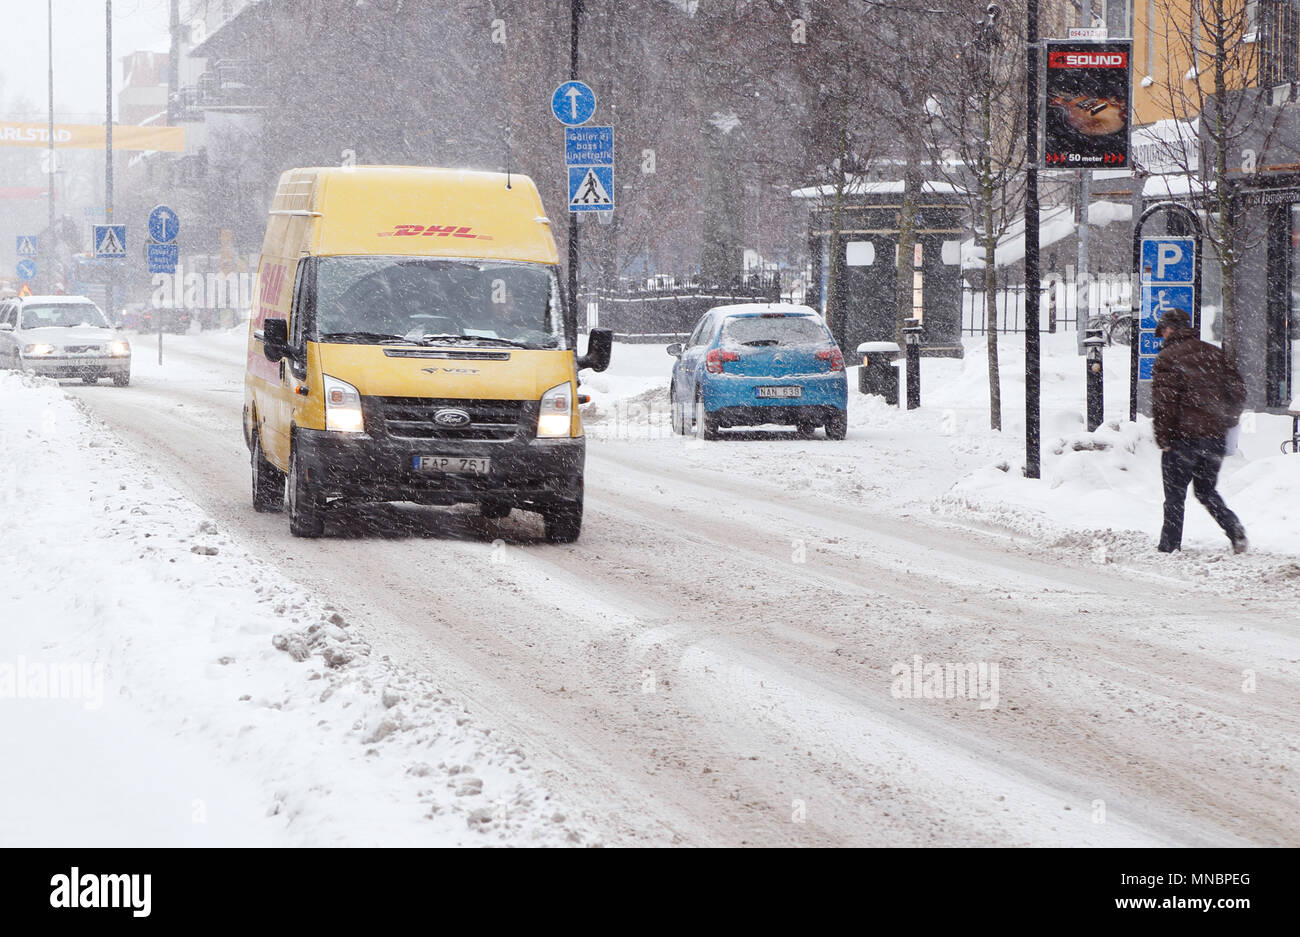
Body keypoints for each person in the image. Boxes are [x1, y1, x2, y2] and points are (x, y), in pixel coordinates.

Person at [1151, 307, 1248, 554]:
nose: (1162, 337)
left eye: (1162, 332)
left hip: (1182, 439)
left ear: (1170, 329)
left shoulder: (1167, 358)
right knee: (1205, 490)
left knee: (1175, 495)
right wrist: (1224, 420)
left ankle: (1170, 545)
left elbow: (1165, 403)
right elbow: (1238, 391)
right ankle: (1233, 527)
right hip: (1214, 438)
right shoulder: (1215, 353)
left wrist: (1163, 436)